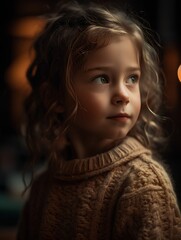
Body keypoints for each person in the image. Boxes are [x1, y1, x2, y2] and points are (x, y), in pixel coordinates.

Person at [16, 1, 181, 239]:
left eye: (132, 78)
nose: (123, 94)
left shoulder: (142, 184)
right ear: (55, 97)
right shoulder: (45, 185)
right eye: (102, 79)